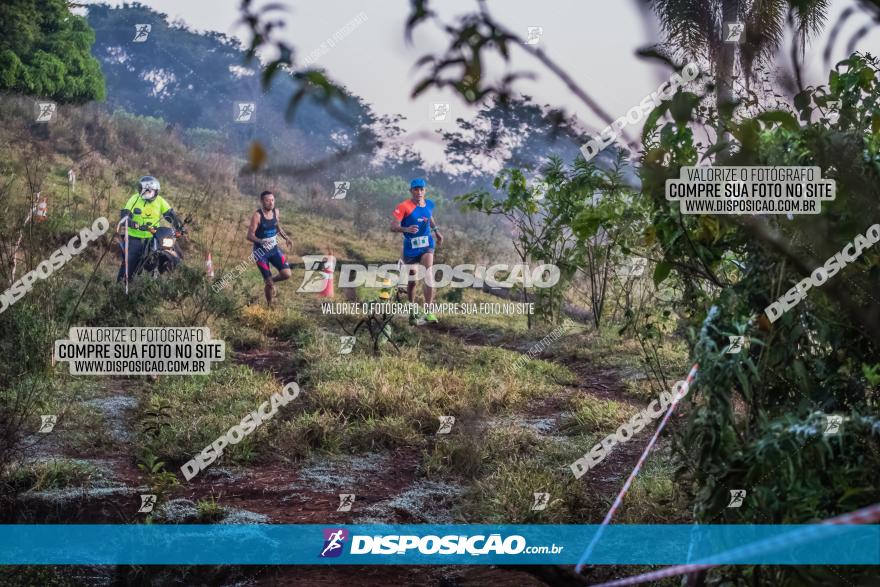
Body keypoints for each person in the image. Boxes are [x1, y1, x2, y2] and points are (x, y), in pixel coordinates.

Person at [390, 178, 444, 325]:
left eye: (422, 189)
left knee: (428, 272)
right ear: (411, 191)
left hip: (427, 244)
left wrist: (437, 232)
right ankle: (412, 309)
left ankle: (428, 311)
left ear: (425, 191)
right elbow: (393, 226)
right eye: (416, 189)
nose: (419, 192)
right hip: (410, 247)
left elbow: (429, 217)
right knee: (413, 280)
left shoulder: (429, 204)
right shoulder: (403, 206)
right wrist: (406, 229)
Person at [116, 176, 185, 283]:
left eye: (147, 191)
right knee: (129, 263)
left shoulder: (160, 201)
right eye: (141, 190)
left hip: (153, 237)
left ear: (155, 191)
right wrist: (130, 222)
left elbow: (170, 214)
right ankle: (120, 285)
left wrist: (180, 226)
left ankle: (171, 279)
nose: (143, 193)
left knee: (172, 252)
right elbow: (125, 214)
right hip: (135, 238)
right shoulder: (134, 199)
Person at [247, 190, 293, 305]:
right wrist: (261, 241)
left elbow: (277, 226)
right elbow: (249, 235)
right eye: (267, 200)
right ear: (262, 201)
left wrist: (286, 237)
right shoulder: (257, 215)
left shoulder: (276, 212)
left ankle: (271, 281)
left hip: (274, 250)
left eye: (272, 200)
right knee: (269, 284)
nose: (271, 203)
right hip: (260, 253)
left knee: (287, 274)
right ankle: (269, 304)